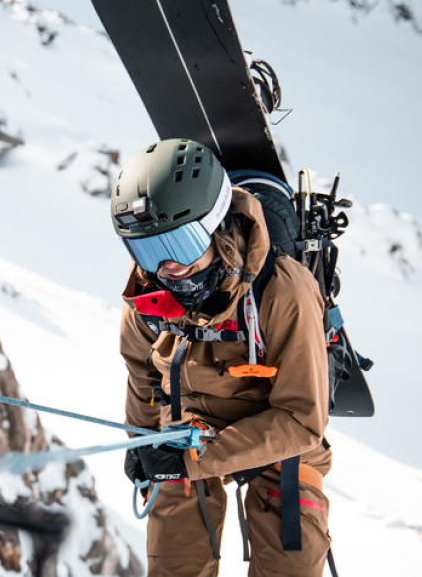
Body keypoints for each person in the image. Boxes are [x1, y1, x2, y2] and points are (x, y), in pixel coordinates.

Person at [113, 138, 332, 577]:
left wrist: (196, 458)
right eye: (150, 250)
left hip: (279, 442)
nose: (169, 268)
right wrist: (141, 442)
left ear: (215, 226)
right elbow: (142, 376)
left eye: (182, 243)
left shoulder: (284, 291)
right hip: (186, 435)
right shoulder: (148, 295)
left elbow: (303, 421)